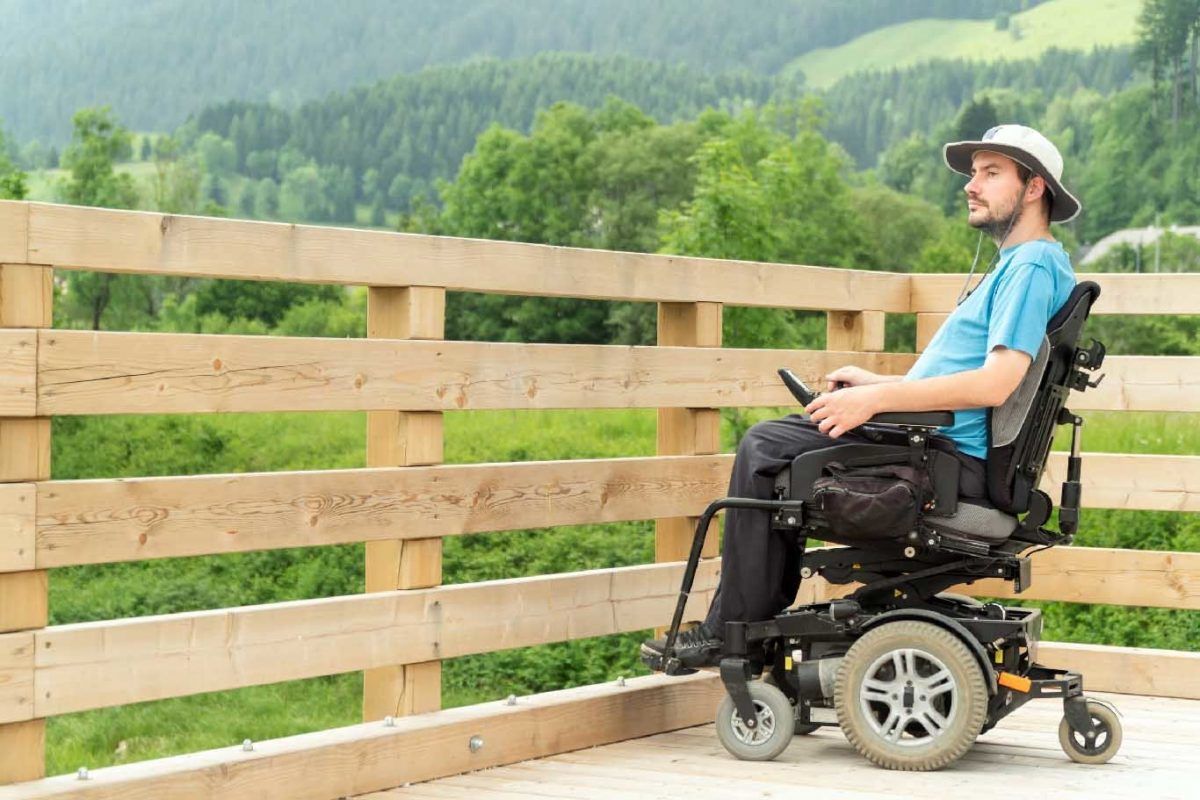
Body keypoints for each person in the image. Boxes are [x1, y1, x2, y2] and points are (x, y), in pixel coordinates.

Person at [642, 124, 1082, 669]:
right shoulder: (1024, 265)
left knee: (764, 447)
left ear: (1033, 187)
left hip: (944, 457)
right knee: (783, 440)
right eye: (974, 173)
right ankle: (747, 625)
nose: (972, 185)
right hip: (934, 440)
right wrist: (876, 387)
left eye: (991, 173)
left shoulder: (1032, 265)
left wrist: (874, 404)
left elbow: (996, 382)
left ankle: (732, 633)